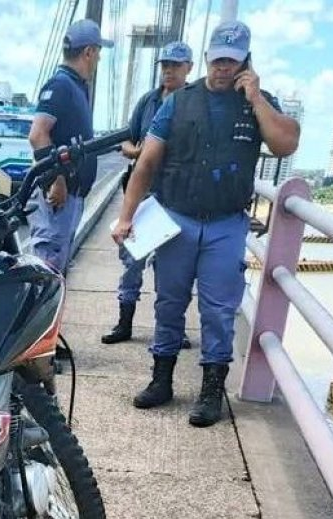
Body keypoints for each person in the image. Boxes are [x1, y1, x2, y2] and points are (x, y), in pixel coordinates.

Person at [110, 21, 299, 427]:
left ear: (245, 61)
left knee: (218, 309)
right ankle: (161, 380)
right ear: (207, 58)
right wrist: (126, 216)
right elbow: (147, 162)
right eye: (217, 60)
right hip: (177, 217)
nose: (222, 69)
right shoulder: (179, 103)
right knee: (169, 301)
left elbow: (286, 142)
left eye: (231, 61)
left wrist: (256, 98)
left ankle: (212, 389)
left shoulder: (259, 101)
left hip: (226, 223)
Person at [102, 41, 194, 347]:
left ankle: (171, 331)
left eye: (175, 65)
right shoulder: (148, 101)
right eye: (165, 65)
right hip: (142, 196)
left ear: (189, 68)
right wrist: (138, 152)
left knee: (172, 271)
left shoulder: (194, 103)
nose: (168, 70)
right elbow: (126, 141)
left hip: (176, 198)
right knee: (131, 262)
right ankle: (124, 323)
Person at [29, 18, 112, 273]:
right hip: (59, 200)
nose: (98, 60)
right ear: (89, 52)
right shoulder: (61, 85)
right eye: (98, 53)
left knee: (56, 271)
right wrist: (57, 180)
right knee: (46, 272)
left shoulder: (76, 86)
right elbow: (38, 134)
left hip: (71, 199)